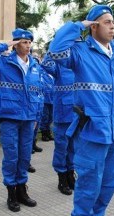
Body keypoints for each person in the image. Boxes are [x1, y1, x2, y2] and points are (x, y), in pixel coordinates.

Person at [48, 5, 114, 216]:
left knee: (108, 183)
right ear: (93, 26)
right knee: (89, 182)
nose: (112, 26)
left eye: (113, 22)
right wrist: (79, 25)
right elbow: (55, 50)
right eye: (106, 22)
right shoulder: (80, 52)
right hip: (92, 130)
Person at [0, 28, 40, 212]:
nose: (28, 45)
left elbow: (38, 92)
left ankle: (22, 189)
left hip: (29, 117)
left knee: (25, 156)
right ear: (15, 44)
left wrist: (37, 115)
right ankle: (11, 193)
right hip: (10, 116)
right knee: (11, 156)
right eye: (23, 42)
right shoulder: (3, 63)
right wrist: (4, 45)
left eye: (30, 42)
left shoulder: (34, 65)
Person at [42, 53, 76, 195]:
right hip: (63, 113)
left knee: (73, 147)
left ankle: (70, 173)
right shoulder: (58, 66)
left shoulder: (79, 65)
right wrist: (57, 48)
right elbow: (46, 64)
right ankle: (61, 177)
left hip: (77, 113)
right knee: (62, 147)